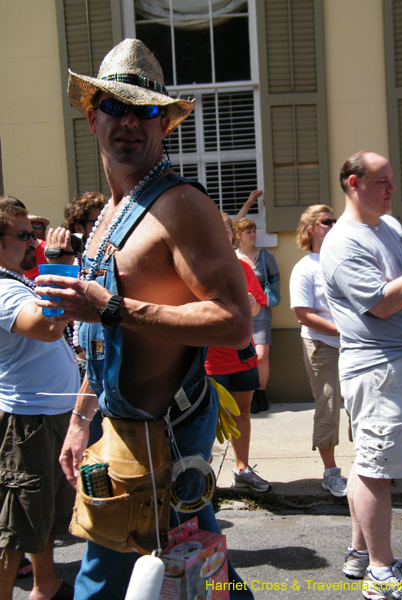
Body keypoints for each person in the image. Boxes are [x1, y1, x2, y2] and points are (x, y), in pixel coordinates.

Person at [34, 38, 254, 600]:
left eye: (146, 110)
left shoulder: (182, 205)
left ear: (166, 125)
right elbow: (102, 338)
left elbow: (234, 321)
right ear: (92, 118)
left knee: (148, 579)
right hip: (122, 434)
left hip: (170, 440)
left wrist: (109, 305)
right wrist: (84, 418)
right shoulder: (109, 213)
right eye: (115, 106)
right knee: (192, 574)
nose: (129, 121)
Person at [320, 150, 402, 600]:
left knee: (370, 465)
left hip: (401, 369)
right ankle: (380, 572)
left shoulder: (389, 227)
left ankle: (360, 554)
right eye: (381, 181)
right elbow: (382, 303)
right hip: (379, 372)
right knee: (377, 470)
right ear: (353, 184)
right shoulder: (342, 243)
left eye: (392, 179)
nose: (392, 188)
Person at [0, 197, 80, 600]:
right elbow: (47, 327)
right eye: (23, 235)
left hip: (48, 411)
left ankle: (44, 584)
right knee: (16, 524)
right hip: (27, 420)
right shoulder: (2, 290)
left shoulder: (16, 278)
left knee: (44, 510)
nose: (33, 241)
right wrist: (62, 263)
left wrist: (29, 233)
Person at [205, 213, 270, 492]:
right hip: (209, 359)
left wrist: (249, 304)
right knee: (206, 418)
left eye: (226, 231)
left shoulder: (242, 268)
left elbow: (257, 308)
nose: (223, 236)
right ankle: (201, 475)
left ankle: (242, 469)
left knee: (243, 411)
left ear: (232, 235)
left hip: (242, 354)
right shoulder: (197, 268)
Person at [290, 204, 347, 497]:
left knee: (361, 406)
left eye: (336, 220)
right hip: (322, 345)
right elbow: (303, 314)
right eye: (327, 221)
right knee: (328, 405)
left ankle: (368, 469)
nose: (334, 224)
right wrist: (341, 330)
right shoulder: (305, 268)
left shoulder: (343, 261)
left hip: (354, 346)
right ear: (312, 229)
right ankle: (330, 473)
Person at [234, 217, 280, 413]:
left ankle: (261, 392)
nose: (253, 235)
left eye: (254, 231)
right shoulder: (232, 257)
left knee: (261, 356)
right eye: (248, 232)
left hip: (261, 311)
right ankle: (250, 394)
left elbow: (275, 277)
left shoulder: (264, 255)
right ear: (238, 236)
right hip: (239, 312)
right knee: (244, 355)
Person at [24, 214, 50, 280]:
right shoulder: (16, 251)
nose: (39, 232)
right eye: (34, 228)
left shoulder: (50, 249)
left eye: (41, 228)